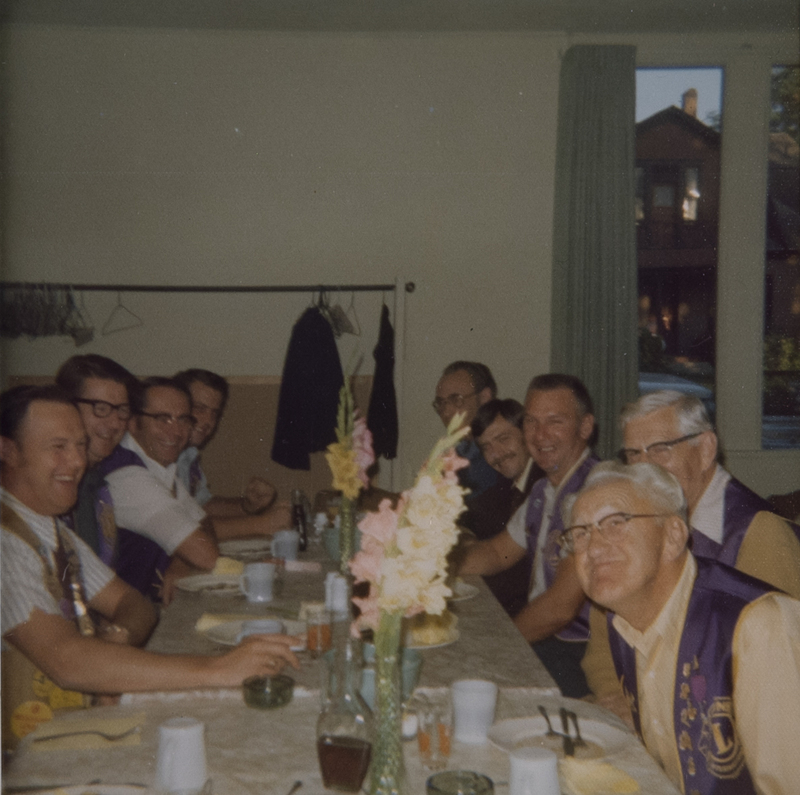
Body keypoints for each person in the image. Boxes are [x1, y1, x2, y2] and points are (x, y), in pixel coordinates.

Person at [1, 386, 298, 747]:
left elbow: (134, 605)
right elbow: (66, 661)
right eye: (58, 447)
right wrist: (219, 670)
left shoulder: (50, 530)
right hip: (20, 762)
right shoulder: (6, 543)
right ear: (8, 451)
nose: (77, 461)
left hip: (73, 730)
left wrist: (115, 644)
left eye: (80, 445)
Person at [566, 461, 800, 795]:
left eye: (615, 523)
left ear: (674, 536)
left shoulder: (758, 628)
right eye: (580, 533)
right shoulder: (626, 622)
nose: (593, 548)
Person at [582, 390, 800, 712]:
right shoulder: (637, 525)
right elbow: (604, 639)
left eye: (660, 449)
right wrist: (618, 698)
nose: (643, 468)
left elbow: (780, 678)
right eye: (632, 454)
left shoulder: (758, 536)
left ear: (706, 449)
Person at [458, 374, 597, 696]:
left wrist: (504, 642)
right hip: (546, 640)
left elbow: (562, 608)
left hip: (577, 651)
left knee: (466, 673)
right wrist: (425, 562)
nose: (540, 435)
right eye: (532, 422)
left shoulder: (595, 492)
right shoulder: (541, 491)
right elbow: (495, 554)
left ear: (585, 427)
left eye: (555, 421)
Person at [103, 377, 219, 601]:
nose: (176, 432)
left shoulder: (159, 464)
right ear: (133, 422)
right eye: (162, 419)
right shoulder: (127, 476)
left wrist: (181, 560)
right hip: (130, 614)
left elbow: (206, 524)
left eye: (183, 419)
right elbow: (208, 556)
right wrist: (187, 555)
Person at [173, 368, 291, 536]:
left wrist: (246, 506)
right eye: (199, 408)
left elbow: (202, 505)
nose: (208, 421)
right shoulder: (161, 455)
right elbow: (178, 526)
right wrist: (262, 524)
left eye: (215, 413)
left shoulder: (188, 453)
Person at [458, 398, 543, 616]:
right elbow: (467, 515)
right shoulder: (505, 485)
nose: (496, 454)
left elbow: (517, 570)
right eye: (486, 447)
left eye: (503, 439)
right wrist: (467, 537)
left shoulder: (543, 485)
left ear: (526, 435)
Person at [55, 354, 138, 564]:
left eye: (122, 410)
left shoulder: (97, 482)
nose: (114, 423)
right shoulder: (52, 483)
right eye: (101, 408)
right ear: (67, 407)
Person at [433, 361, 499, 500]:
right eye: (441, 403)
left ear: (484, 398)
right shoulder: (462, 449)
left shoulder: (498, 451)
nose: (446, 411)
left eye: (456, 400)